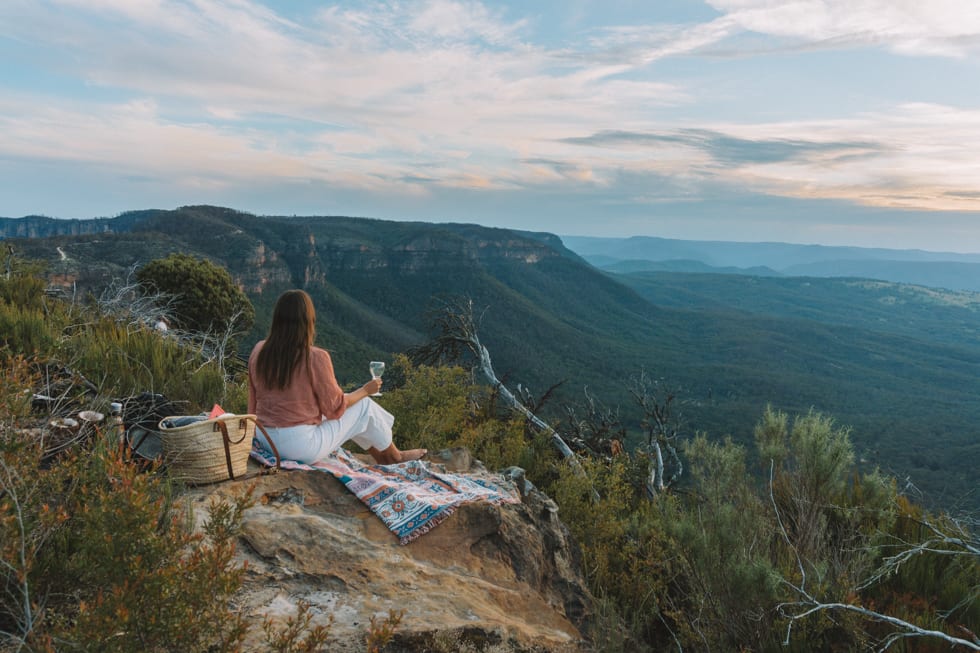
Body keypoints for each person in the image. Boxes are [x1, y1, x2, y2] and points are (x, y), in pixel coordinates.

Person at [247, 289, 425, 465]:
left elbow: (252, 405)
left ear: (277, 319)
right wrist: (365, 390)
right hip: (299, 447)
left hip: (266, 440)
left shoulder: (259, 350)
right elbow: (335, 409)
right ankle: (395, 457)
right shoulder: (315, 357)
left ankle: (381, 457)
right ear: (308, 321)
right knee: (363, 406)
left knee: (356, 413)